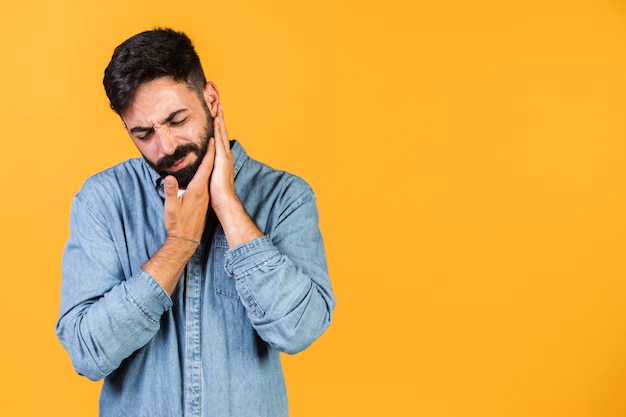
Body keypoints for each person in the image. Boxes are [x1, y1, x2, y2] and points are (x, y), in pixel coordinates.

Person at [55, 28, 335, 417]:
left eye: (176, 119)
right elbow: (87, 353)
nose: (166, 146)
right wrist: (179, 244)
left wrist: (227, 204)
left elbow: (300, 329)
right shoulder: (102, 201)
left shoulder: (285, 197)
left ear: (211, 99)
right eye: (144, 133)